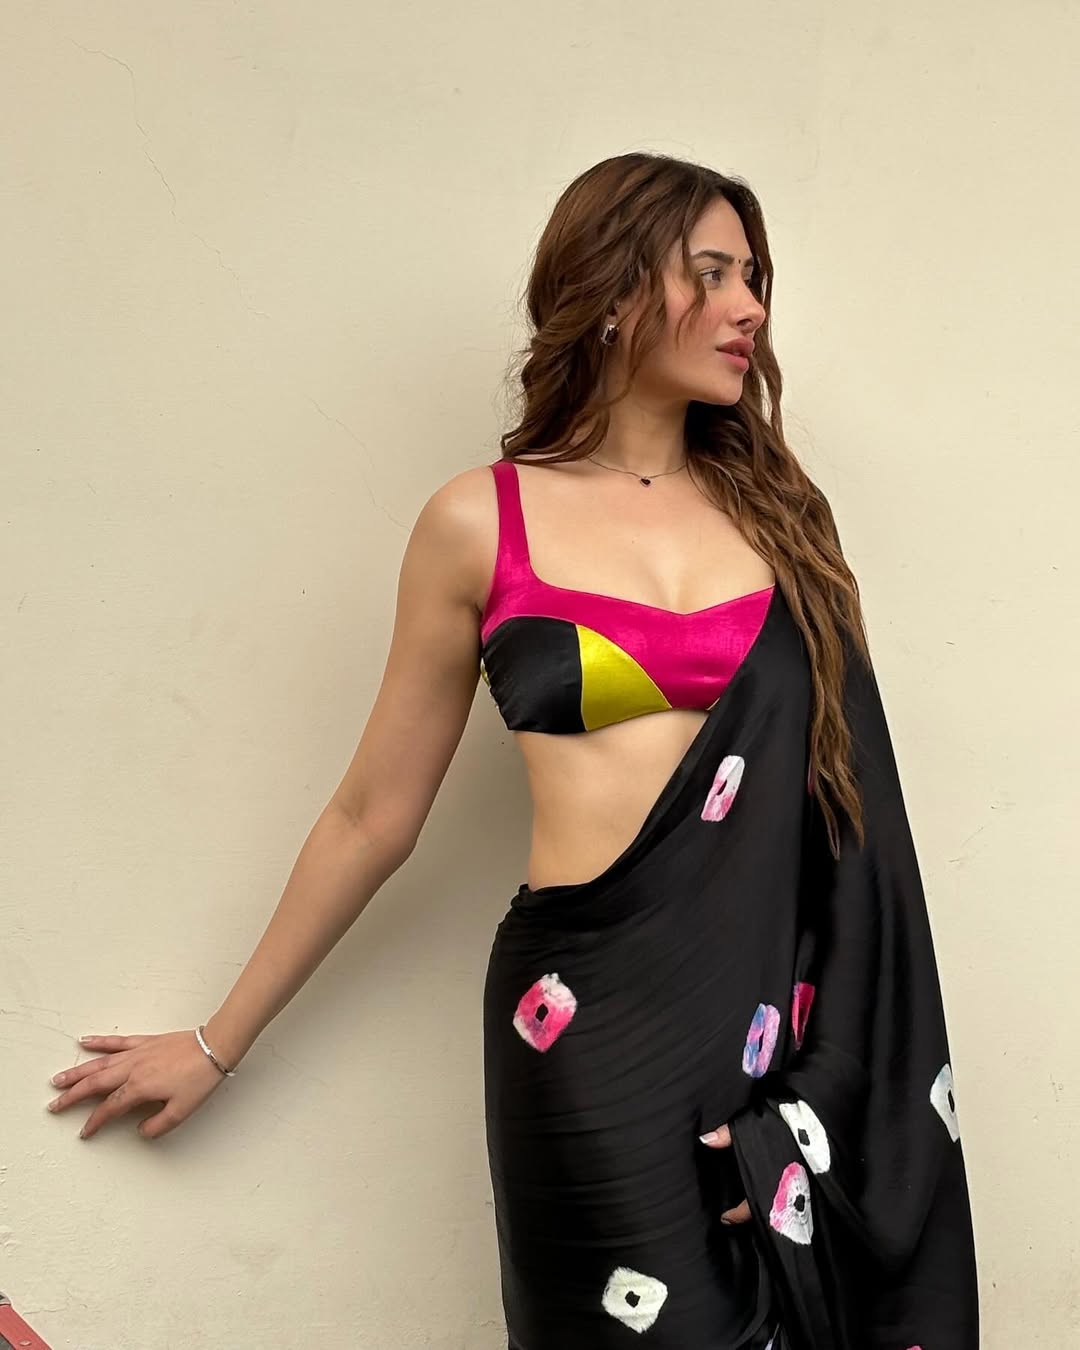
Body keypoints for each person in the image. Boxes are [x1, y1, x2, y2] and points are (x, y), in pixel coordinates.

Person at [46, 153, 979, 1348]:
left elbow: (853, 822)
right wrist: (218, 1042)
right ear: (614, 288)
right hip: (579, 1029)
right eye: (711, 273)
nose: (749, 307)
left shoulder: (783, 522)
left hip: (763, 1034)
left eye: (755, 277)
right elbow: (372, 815)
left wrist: (821, 1094)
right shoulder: (477, 522)